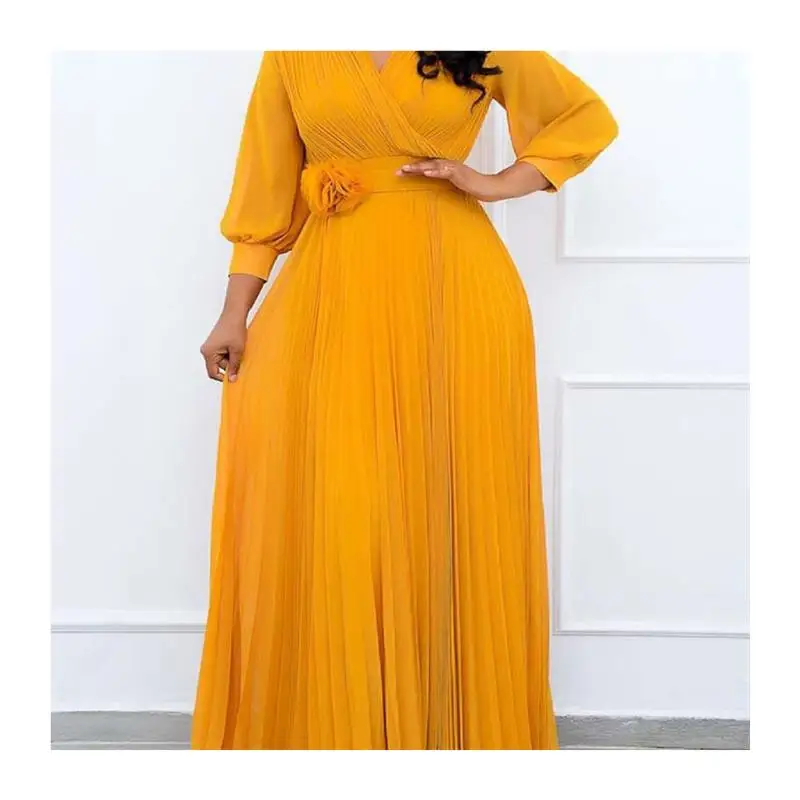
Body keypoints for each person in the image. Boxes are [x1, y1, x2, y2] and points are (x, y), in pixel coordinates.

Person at [192, 51, 617, 750]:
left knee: (444, 503)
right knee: (344, 500)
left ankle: (442, 736)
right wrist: (234, 313)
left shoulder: (478, 38)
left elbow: (584, 117)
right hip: (332, 293)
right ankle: (343, 732)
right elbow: (264, 188)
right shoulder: (294, 51)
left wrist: (495, 183)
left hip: (452, 288)